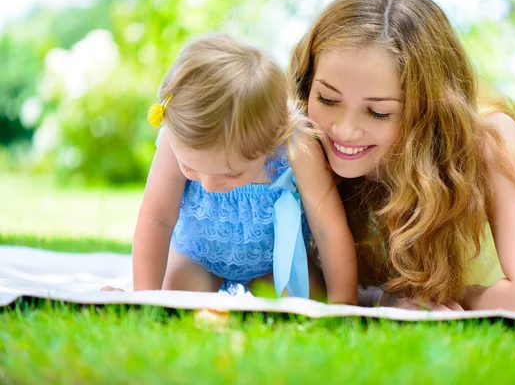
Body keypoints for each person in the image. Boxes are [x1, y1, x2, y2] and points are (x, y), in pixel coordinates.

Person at [289, 0, 515, 315]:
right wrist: (388, 300)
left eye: (378, 112)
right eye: (328, 99)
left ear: (428, 109)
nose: (344, 130)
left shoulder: (488, 142)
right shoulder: (303, 143)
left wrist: (451, 299)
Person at [104, 34, 358, 305]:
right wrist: (144, 295)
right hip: (198, 257)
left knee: (303, 307)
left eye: (232, 173)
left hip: (275, 261)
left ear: (273, 138)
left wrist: (344, 302)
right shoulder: (174, 141)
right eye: (190, 167)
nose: (210, 185)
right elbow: (156, 219)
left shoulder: (295, 144)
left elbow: (328, 228)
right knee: (173, 304)